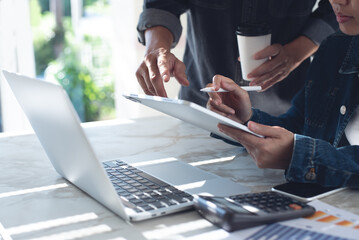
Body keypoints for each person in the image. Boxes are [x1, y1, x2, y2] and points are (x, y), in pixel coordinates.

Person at [206, 0, 359, 188]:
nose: (337, 1)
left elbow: (303, 149)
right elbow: (300, 127)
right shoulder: (334, 48)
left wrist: (298, 155)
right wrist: (246, 119)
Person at [136, 0, 338, 116]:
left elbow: (339, 9)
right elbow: (162, 4)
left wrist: (296, 53)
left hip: (284, 111)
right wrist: (157, 48)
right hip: (202, 109)